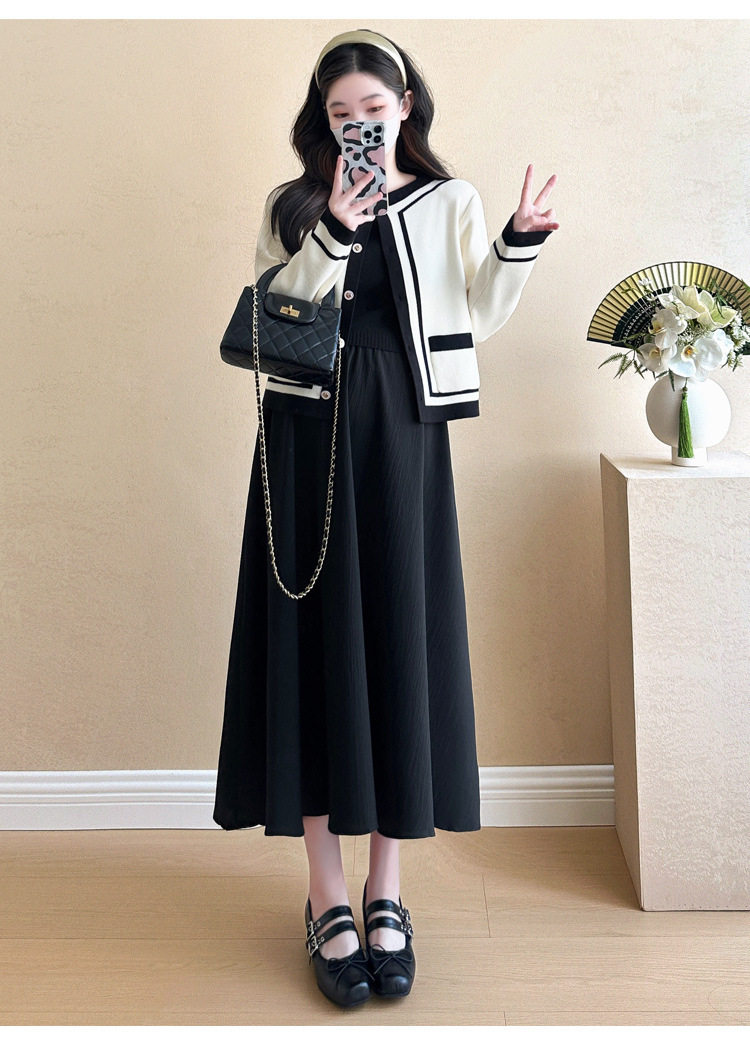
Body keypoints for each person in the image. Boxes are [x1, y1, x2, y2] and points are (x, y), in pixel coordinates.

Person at [213, 28, 558, 1008]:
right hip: (304, 434)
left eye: (373, 109)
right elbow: (277, 314)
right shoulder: (292, 205)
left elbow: (477, 311)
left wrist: (519, 240)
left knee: (399, 642)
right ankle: (326, 893)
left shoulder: (451, 200)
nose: (358, 126)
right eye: (341, 115)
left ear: (406, 106)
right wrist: (333, 226)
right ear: (322, 121)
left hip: (403, 433)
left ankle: (386, 890)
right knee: (314, 648)